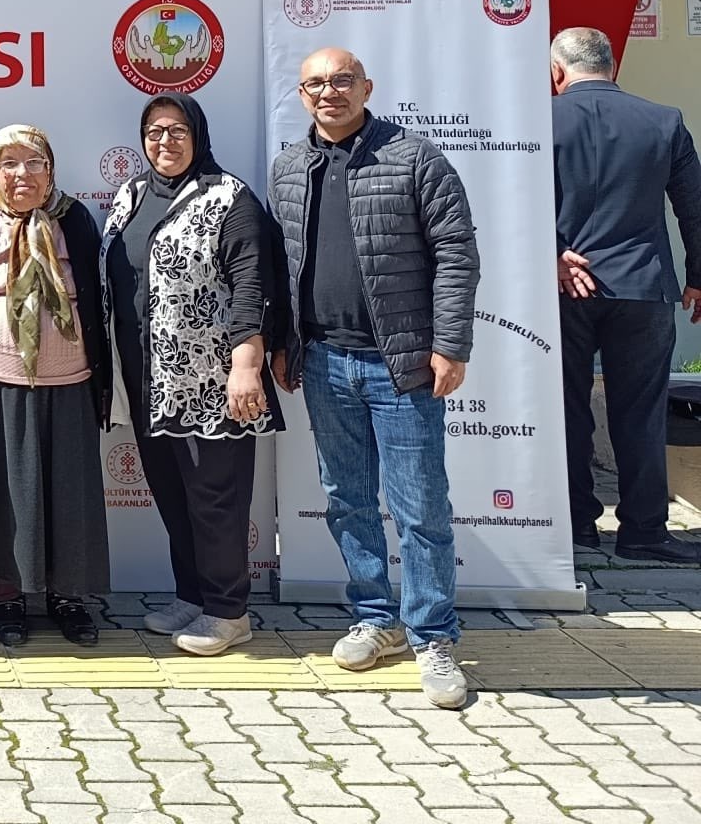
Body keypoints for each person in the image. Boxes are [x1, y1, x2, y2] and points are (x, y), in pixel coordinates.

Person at [269, 47, 478, 710]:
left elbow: (456, 252)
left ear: (366, 87)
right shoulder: (288, 167)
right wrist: (285, 343)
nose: (328, 92)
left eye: (341, 80)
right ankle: (374, 617)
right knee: (348, 499)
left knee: (420, 507)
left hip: (402, 364)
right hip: (324, 360)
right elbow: (283, 267)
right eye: (315, 83)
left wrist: (450, 344)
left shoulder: (413, 158)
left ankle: (433, 637)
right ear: (301, 95)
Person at [101, 95, 283, 657]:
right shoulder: (131, 195)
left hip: (209, 382)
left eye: (178, 130)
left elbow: (251, 286)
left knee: (215, 498)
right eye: (154, 131)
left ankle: (228, 612)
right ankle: (193, 595)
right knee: (173, 494)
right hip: (146, 380)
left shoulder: (230, 198)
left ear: (198, 134)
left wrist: (246, 365)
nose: (165, 142)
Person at [0, 124, 110, 648]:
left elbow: (101, 293)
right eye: (9, 163)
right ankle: (6, 594)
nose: (22, 174)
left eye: (35, 163)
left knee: (69, 493)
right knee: (2, 496)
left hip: (71, 381)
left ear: (51, 171)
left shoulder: (75, 219)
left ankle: (68, 597)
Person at [551, 26, 701, 563]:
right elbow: (694, 206)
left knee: (566, 406)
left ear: (557, 72)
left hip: (565, 284)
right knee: (641, 411)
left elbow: (514, 197)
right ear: (612, 66)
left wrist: (551, 252)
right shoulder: (664, 121)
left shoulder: (539, 120)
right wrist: (698, 276)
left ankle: (577, 526)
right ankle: (644, 532)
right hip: (643, 284)